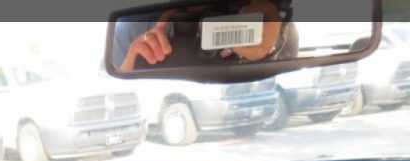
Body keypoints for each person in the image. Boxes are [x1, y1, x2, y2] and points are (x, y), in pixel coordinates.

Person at [113, 0, 297, 72]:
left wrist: (270, 45)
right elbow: (118, 100)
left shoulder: (269, 27)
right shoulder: (132, 31)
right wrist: (132, 62)